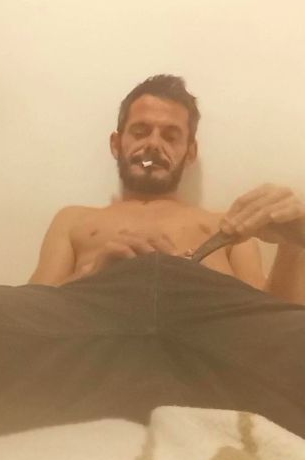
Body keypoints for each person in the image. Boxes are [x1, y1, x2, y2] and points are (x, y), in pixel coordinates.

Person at [29, 74, 305, 304]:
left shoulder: (230, 226)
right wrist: (93, 277)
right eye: (140, 132)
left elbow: (274, 325)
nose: (153, 144)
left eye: (171, 137)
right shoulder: (73, 220)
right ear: (116, 144)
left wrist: (294, 244)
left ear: (190, 152)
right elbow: (28, 313)